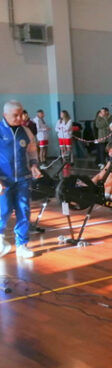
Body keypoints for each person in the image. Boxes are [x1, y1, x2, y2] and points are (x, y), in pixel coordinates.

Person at [0, 100, 40, 258]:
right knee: (4, 211)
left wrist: (34, 164)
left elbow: (32, 151)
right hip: (4, 180)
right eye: (15, 115)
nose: (19, 118)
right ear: (5, 115)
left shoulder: (26, 131)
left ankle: (22, 245)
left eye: (21, 114)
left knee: (24, 210)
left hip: (23, 179)